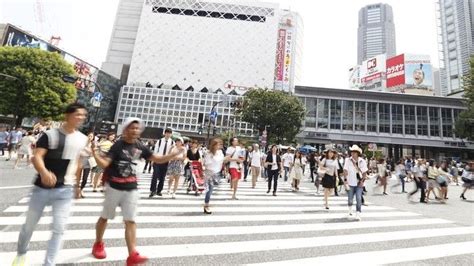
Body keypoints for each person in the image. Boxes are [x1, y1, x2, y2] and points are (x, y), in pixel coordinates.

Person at [90, 117, 179, 265]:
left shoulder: (140, 146)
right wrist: (95, 153)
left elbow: (156, 159)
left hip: (131, 188)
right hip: (113, 186)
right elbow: (105, 163)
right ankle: (98, 243)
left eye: (137, 128)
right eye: (132, 127)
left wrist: (172, 155)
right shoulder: (118, 145)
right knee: (105, 217)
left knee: (130, 221)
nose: (135, 130)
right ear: (125, 129)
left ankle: (132, 254)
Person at [12, 103, 88, 266]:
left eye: (83, 115)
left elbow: (78, 163)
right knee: (29, 225)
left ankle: (49, 263)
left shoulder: (82, 138)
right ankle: (21, 254)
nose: (81, 118)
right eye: (78, 114)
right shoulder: (50, 135)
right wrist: (45, 172)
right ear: (67, 115)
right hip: (42, 188)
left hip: (65, 189)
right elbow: (37, 157)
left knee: (59, 229)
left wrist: (77, 186)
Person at [202, 138, 230, 214]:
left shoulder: (220, 152)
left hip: (217, 173)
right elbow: (207, 163)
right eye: (218, 144)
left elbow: (222, 161)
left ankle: (206, 204)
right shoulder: (208, 153)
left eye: (220, 144)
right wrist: (218, 159)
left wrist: (226, 159)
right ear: (213, 145)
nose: (219, 146)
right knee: (210, 190)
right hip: (209, 172)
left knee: (211, 189)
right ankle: (206, 205)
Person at [343, 145, 368, 221]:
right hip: (350, 182)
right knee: (350, 199)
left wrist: (362, 181)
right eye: (352, 152)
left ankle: (358, 213)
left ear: (357, 153)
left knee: (358, 198)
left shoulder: (362, 161)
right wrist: (345, 180)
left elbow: (364, 172)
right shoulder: (348, 160)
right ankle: (350, 210)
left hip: (359, 183)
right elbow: (345, 170)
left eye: (354, 152)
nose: (352, 153)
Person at [149, 128, 174, 197]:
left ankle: (159, 190)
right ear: (164, 133)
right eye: (167, 133)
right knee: (155, 176)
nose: (168, 134)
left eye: (169, 133)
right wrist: (153, 160)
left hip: (166, 161)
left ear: (171, 134)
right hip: (157, 160)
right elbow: (155, 151)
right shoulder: (159, 141)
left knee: (162, 177)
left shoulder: (172, 142)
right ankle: (152, 190)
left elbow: (172, 153)